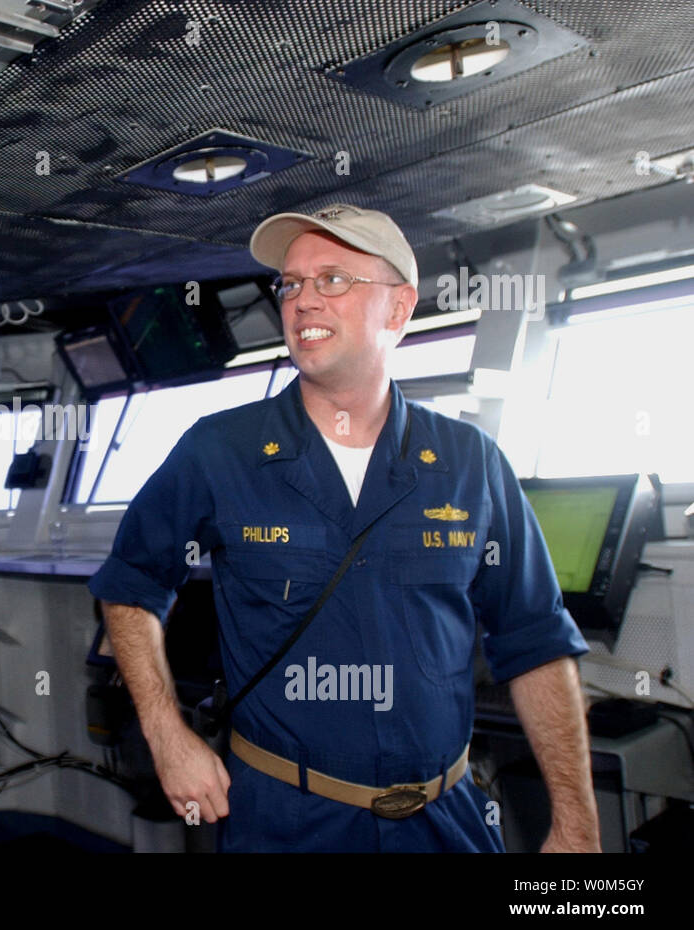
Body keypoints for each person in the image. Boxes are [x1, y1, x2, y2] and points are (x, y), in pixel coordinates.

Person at [89, 203, 600, 852]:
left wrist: (577, 820)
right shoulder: (219, 450)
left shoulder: (472, 464)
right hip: (286, 820)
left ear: (398, 308)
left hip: (446, 820)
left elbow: (536, 641)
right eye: (291, 284)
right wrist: (166, 733)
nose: (302, 300)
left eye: (332, 279)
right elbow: (128, 584)